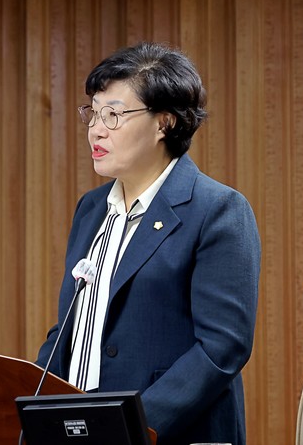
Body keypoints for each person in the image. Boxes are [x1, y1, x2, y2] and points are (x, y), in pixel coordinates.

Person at [36, 42, 261, 445]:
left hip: (162, 433)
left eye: (113, 115)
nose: (96, 129)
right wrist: (35, 409)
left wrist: (133, 426)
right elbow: (73, 325)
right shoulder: (91, 210)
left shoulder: (217, 210)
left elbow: (222, 347)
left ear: (164, 124)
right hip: (81, 431)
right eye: (93, 112)